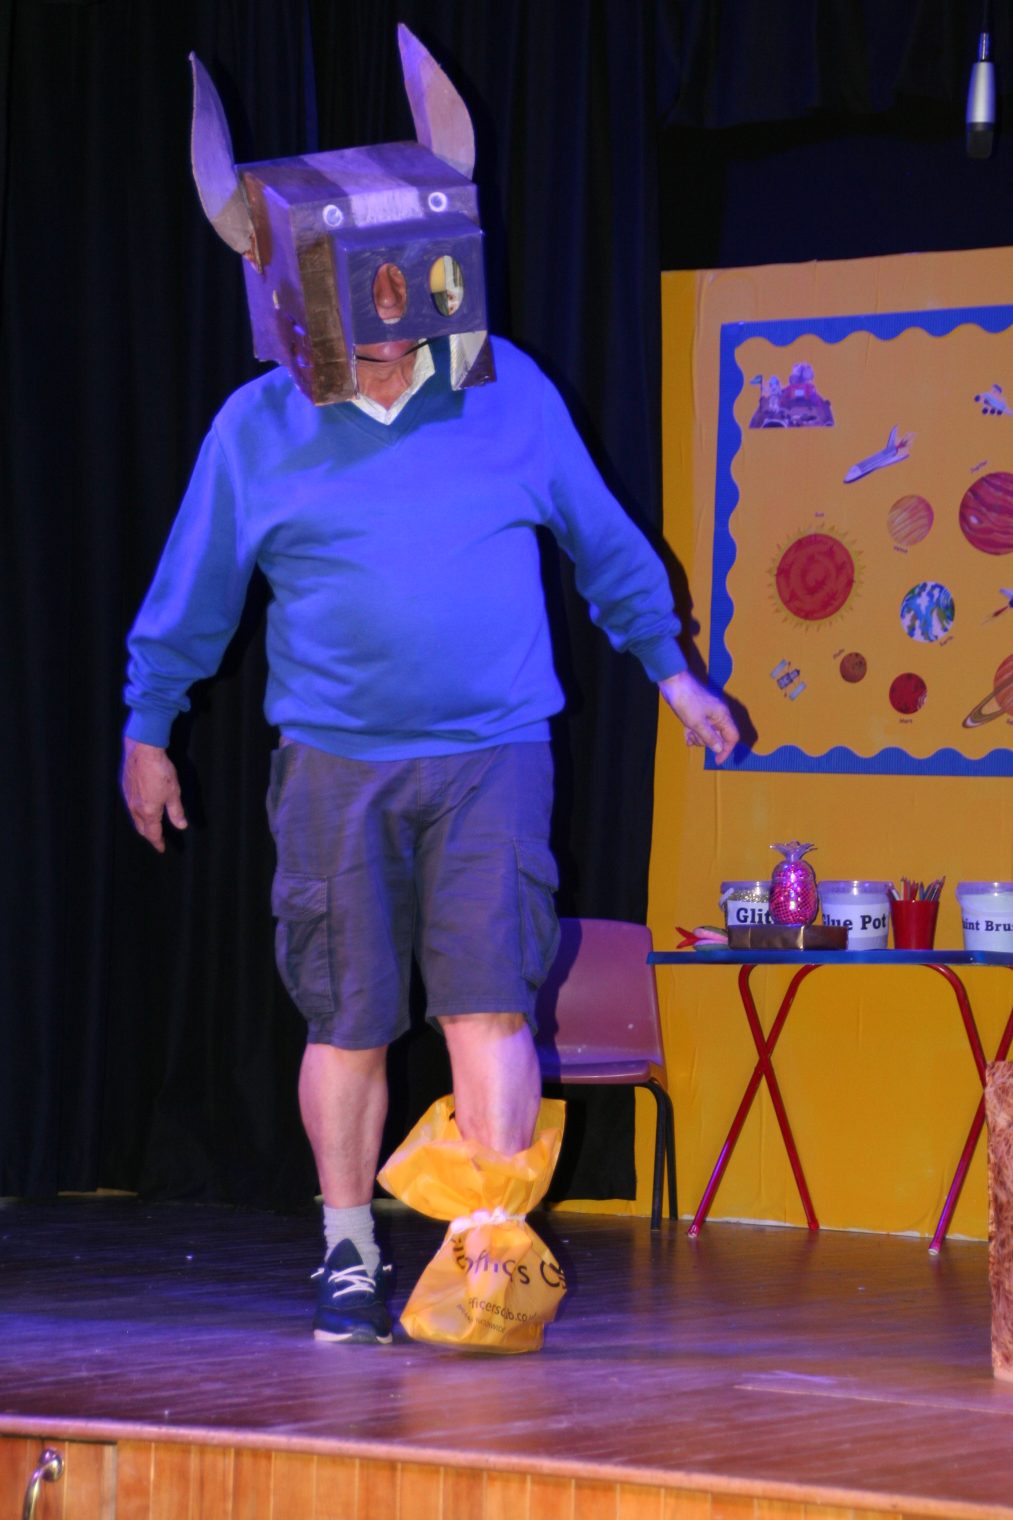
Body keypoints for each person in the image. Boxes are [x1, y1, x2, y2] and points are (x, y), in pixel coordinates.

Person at [122, 45, 739, 1349]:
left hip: (491, 752)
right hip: (333, 761)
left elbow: (603, 540)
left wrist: (671, 668)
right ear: (301, 297)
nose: (392, 313)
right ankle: (348, 1250)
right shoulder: (256, 427)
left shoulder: (508, 392)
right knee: (345, 1015)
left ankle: (485, 1249)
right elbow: (194, 590)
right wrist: (149, 725)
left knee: (488, 1002)